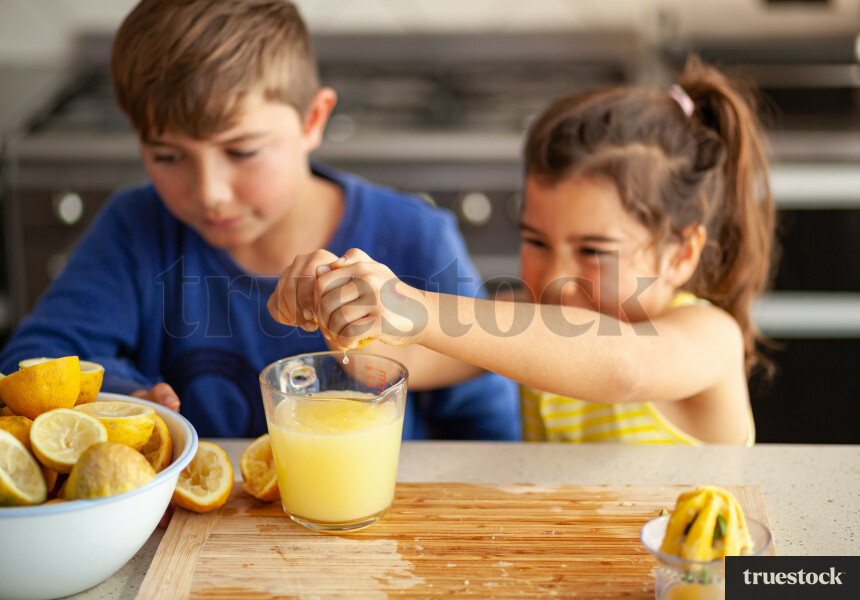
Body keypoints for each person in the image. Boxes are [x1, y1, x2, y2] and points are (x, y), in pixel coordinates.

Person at [0, 0, 519, 441]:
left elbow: (489, 430)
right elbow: (30, 367)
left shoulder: (415, 237)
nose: (210, 193)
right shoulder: (134, 230)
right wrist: (127, 396)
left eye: (241, 151)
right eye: (168, 157)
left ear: (313, 120)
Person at [271, 56, 777, 445]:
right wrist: (336, 301)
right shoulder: (526, 319)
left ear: (681, 253)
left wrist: (414, 308)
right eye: (536, 239)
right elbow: (384, 363)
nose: (555, 272)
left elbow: (625, 366)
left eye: (593, 250)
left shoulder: (711, 338)